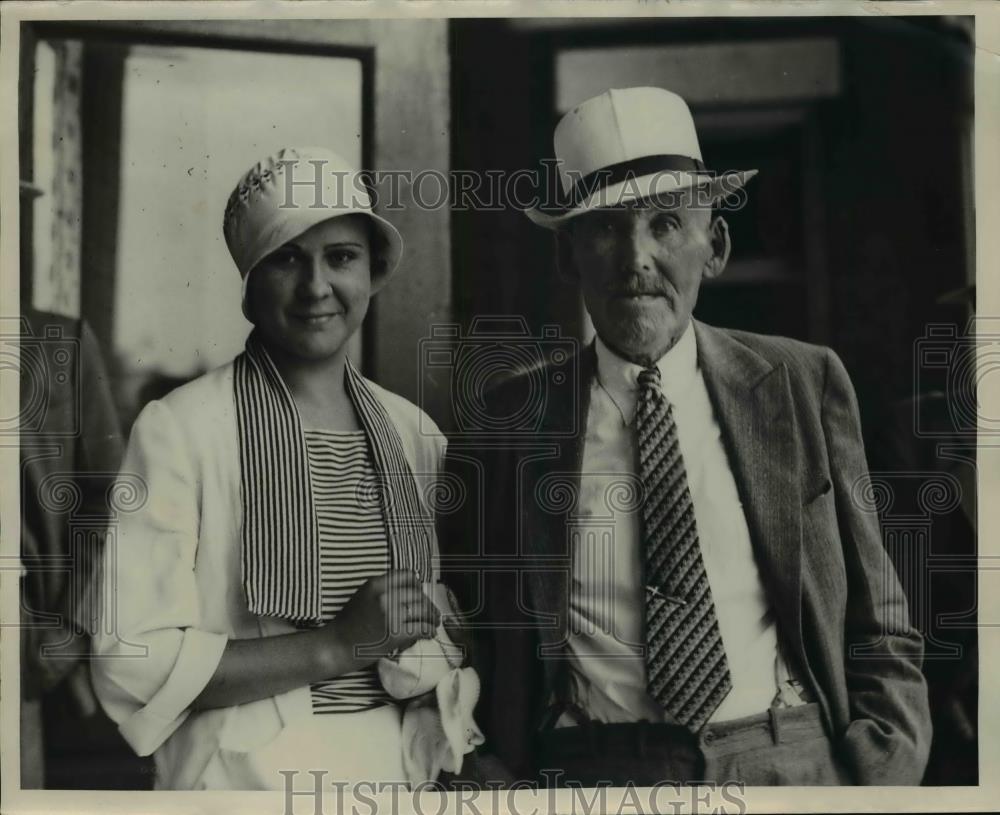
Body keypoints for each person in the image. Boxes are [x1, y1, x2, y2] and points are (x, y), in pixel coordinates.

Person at [444, 87, 932, 786]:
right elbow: (471, 630)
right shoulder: (509, 418)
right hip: (594, 771)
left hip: (789, 762)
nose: (636, 257)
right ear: (567, 256)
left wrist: (880, 770)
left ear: (716, 247)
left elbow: (879, 615)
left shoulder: (802, 382)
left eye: (666, 222)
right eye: (605, 228)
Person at [91, 147, 476, 790]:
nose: (317, 286)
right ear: (249, 287)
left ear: (374, 273)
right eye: (287, 258)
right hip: (244, 784)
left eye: (341, 257)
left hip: (397, 779)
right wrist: (336, 646)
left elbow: (440, 629)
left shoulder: (414, 437)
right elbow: (130, 660)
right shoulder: (182, 430)